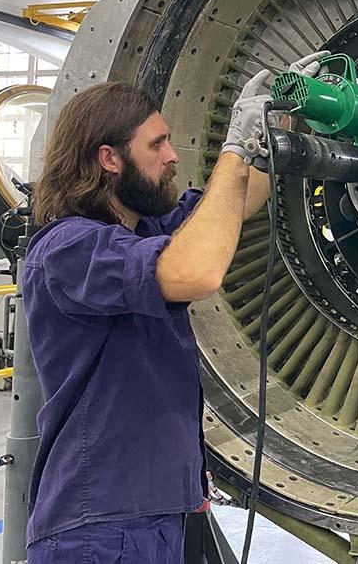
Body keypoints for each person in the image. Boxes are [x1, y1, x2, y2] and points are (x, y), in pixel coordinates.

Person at [23, 52, 325, 564]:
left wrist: (284, 124)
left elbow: (237, 199)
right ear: (109, 159)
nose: (172, 156)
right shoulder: (68, 249)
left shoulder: (145, 230)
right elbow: (198, 272)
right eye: (157, 144)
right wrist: (234, 144)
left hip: (153, 514)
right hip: (99, 526)